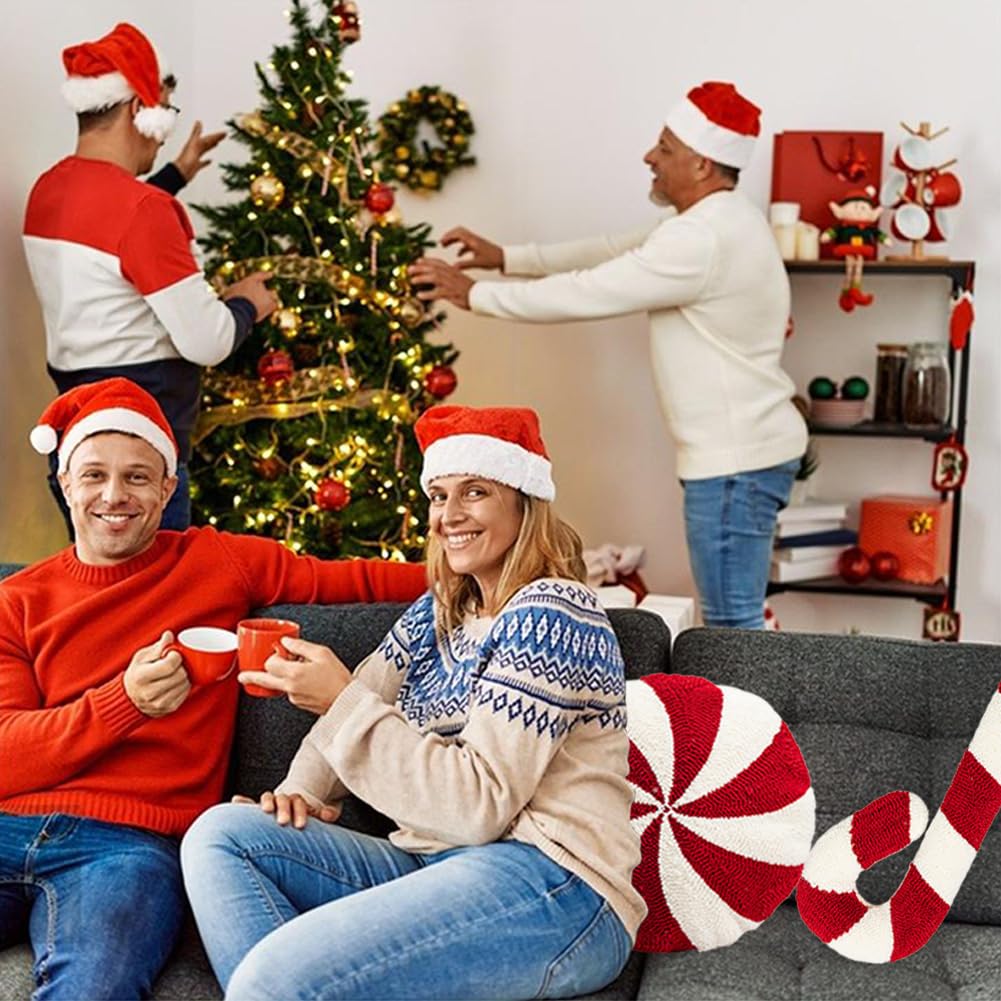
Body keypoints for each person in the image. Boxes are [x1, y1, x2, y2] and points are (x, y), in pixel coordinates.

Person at [180, 404, 644, 1000]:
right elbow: (363, 697)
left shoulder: (553, 612)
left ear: (524, 504)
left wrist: (339, 701)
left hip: (556, 884)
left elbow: (477, 806)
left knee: (272, 981)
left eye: (474, 492)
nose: (449, 516)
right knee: (222, 834)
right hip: (436, 865)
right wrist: (301, 793)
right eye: (438, 496)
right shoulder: (436, 614)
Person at [0, 378, 427, 1001]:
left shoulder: (216, 561)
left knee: (93, 986)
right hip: (10, 824)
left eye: (138, 477)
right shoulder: (17, 600)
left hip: (131, 848)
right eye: (93, 475)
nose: (114, 496)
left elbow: (359, 579)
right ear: (65, 483)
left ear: (169, 488)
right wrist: (125, 704)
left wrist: (507, 569)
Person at [408, 81, 808, 629]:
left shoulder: (704, 240)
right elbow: (608, 250)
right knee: (736, 621)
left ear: (701, 164)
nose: (650, 156)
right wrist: (505, 258)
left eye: (665, 147)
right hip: (745, 457)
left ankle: (747, 718)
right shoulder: (712, 224)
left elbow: (590, 289)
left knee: (732, 627)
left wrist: (472, 292)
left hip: (736, 465)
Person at [22, 21, 277, 536]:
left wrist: (176, 175)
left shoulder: (47, 192)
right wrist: (247, 304)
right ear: (140, 109)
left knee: (99, 591)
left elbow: (106, 232)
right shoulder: (143, 211)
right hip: (141, 457)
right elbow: (208, 340)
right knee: (151, 602)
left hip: (77, 449)